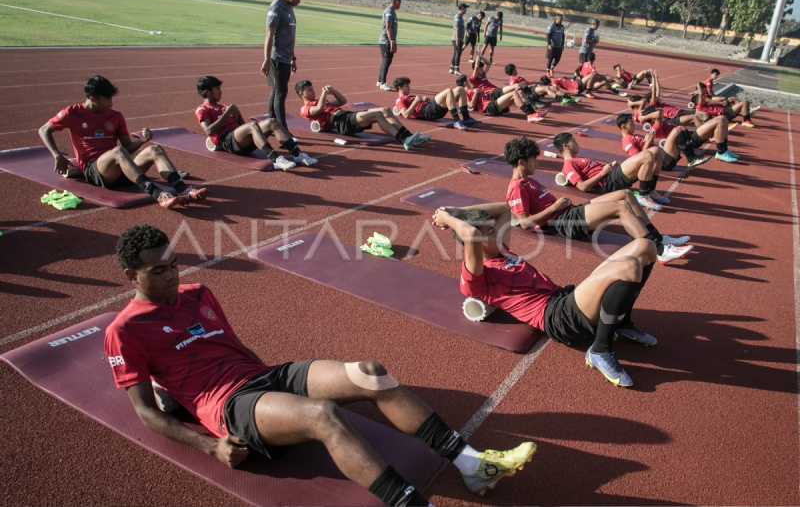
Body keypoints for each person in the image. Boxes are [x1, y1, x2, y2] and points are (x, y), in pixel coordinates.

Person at [106, 225, 537, 507]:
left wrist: (278, 386)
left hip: (263, 378)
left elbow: (230, 345)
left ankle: (470, 464)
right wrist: (210, 445)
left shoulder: (199, 293)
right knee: (323, 415)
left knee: (371, 372)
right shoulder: (125, 330)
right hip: (230, 407)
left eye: (174, 265)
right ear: (131, 276)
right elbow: (145, 412)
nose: (171, 276)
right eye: (158, 271)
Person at [432, 198, 661, 388]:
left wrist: (458, 210)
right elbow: (470, 235)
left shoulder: (500, 250)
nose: (498, 233)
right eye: (491, 232)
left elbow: (503, 209)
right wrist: (448, 220)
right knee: (628, 267)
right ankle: (600, 350)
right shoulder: (476, 277)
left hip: (564, 298)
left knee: (645, 247)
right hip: (558, 318)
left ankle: (621, 323)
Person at [504, 137, 692, 264]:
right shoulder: (517, 187)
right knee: (620, 207)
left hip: (568, 213)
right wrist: (554, 206)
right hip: (563, 222)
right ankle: (659, 250)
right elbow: (526, 223)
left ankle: (657, 237)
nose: (536, 163)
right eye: (533, 160)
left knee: (625, 194)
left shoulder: (527, 181)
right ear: (521, 162)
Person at [39, 76, 207, 210]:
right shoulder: (72, 113)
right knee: (118, 152)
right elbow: (44, 130)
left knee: (155, 149)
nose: (111, 103)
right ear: (92, 98)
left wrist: (143, 140)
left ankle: (183, 191)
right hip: (95, 170)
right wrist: (57, 155)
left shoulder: (115, 116)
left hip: (121, 166)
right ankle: (158, 194)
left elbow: (127, 147)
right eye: (107, 99)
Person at [195, 76, 315, 172]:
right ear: (207, 92)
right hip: (227, 141)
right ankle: (276, 159)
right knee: (253, 125)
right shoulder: (202, 109)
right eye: (217, 89)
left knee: (272, 121)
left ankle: (297, 154)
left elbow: (241, 125)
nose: (220, 92)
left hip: (240, 139)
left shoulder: (223, 107)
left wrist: (237, 115)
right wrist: (226, 114)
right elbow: (209, 131)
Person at [296, 80, 429, 149]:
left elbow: (343, 101)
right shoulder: (305, 108)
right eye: (309, 90)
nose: (312, 91)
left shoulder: (321, 101)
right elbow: (318, 110)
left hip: (347, 116)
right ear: (302, 94)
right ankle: (404, 140)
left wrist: (333, 90)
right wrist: (324, 94)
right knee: (377, 114)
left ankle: (410, 136)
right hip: (341, 122)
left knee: (385, 110)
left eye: (312, 88)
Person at [553, 132, 666, 211]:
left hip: (612, 174)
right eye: (573, 141)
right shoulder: (568, 164)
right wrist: (603, 172)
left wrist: (609, 167)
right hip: (610, 181)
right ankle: (642, 196)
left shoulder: (576, 159)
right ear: (565, 146)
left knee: (657, 150)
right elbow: (582, 186)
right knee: (647, 155)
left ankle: (650, 190)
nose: (577, 143)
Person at [261, 0, 306, 137]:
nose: (298, 2)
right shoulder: (277, 7)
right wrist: (266, 59)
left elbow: (289, 35)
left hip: (286, 57)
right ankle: (283, 131)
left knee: (276, 90)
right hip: (277, 57)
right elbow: (269, 35)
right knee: (281, 93)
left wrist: (293, 58)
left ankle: (272, 124)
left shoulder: (288, 7)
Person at [392, 76, 480, 130]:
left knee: (460, 89)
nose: (409, 88)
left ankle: (466, 118)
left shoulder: (410, 96)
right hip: (427, 112)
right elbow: (406, 115)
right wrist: (416, 101)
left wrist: (423, 99)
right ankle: (456, 121)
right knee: (448, 91)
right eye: (407, 86)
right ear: (400, 88)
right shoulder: (399, 100)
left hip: (430, 108)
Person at [628, 69, 707, 129]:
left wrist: (655, 78)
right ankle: (705, 130)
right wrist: (653, 78)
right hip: (675, 115)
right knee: (699, 115)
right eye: (655, 96)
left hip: (678, 112)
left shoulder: (657, 102)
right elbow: (654, 91)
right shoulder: (653, 104)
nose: (657, 96)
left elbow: (657, 90)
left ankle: (706, 126)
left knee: (702, 115)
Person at [456, 74, 545, 123]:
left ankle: (533, 114)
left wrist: (479, 92)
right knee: (514, 94)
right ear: (464, 83)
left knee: (520, 92)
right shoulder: (465, 93)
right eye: (467, 81)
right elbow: (471, 105)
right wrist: (476, 93)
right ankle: (529, 116)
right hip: (488, 107)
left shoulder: (473, 89)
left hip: (492, 102)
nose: (468, 82)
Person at [505, 64, 579, 106]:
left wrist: (534, 83)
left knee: (554, 88)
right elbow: (516, 89)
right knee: (547, 89)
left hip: (533, 87)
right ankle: (561, 100)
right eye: (515, 69)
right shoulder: (512, 80)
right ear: (512, 70)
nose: (516, 70)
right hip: (530, 91)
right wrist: (531, 86)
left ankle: (569, 98)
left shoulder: (517, 77)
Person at [378, 0, 402, 91]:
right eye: (400, 2)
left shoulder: (392, 12)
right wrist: (392, 41)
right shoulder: (389, 12)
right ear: (396, 1)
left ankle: (380, 80)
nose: (400, 4)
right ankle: (383, 82)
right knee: (386, 61)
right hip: (386, 41)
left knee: (386, 61)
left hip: (388, 41)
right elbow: (388, 27)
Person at [450, 3, 469, 76]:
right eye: (465, 8)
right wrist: (458, 39)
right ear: (462, 8)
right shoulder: (458, 17)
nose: (466, 10)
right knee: (458, 53)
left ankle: (452, 68)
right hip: (457, 38)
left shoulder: (460, 17)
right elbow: (457, 27)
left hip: (457, 38)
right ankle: (456, 69)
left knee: (455, 52)